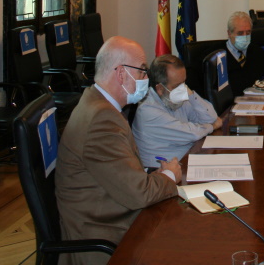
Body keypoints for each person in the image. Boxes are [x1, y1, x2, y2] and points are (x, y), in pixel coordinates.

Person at [55, 36, 180, 265]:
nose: (146, 79)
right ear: (122, 73)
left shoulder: (99, 105)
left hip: (114, 215)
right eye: (142, 71)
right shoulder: (101, 120)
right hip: (107, 238)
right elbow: (140, 193)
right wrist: (171, 174)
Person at [133, 54, 223, 168]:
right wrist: (212, 126)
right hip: (160, 173)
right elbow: (192, 134)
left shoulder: (174, 97)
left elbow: (210, 118)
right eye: (178, 85)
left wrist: (190, 94)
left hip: (185, 160)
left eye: (184, 83)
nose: (183, 89)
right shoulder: (147, 111)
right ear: (160, 89)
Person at [223, 11, 264, 97]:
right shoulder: (218, 57)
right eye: (240, 33)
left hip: (254, 101)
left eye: (248, 33)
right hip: (229, 105)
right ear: (229, 33)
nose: (245, 36)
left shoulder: (255, 51)